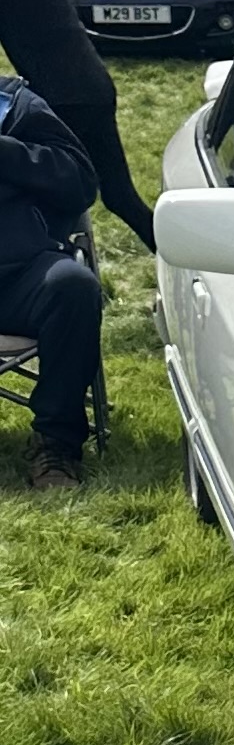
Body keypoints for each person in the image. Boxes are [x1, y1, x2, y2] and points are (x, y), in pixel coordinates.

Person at [0, 0, 155, 253]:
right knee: (117, 196)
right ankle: (182, 265)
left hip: (66, 95)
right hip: (87, 87)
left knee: (42, 194)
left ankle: (56, 276)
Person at [0, 74, 102, 489]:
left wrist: (7, 154)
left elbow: (80, 183)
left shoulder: (13, 103)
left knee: (72, 285)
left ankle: (56, 445)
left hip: (17, 276)